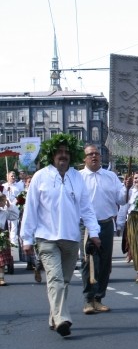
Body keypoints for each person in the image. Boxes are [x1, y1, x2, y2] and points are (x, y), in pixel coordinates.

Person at [20, 134, 101, 338]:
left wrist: (94, 233)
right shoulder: (40, 176)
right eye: (59, 152)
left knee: (63, 281)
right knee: (55, 279)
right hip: (46, 238)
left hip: (71, 239)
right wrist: (27, 238)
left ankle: (53, 317)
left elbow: (86, 208)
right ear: (52, 155)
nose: (63, 155)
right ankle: (63, 319)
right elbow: (30, 209)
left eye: (66, 152)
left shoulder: (77, 177)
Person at [79, 144, 128, 314]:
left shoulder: (110, 176)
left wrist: (127, 188)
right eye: (90, 154)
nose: (94, 156)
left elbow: (121, 200)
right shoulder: (78, 178)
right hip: (85, 225)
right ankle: (88, 300)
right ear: (84, 158)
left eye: (97, 154)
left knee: (105, 263)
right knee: (88, 262)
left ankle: (98, 298)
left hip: (106, 223)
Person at [0, 194, 20, 286]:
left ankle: (1, 278)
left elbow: (15, 216)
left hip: (1, 236)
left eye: (2, 200)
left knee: (1, 260)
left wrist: (9, 206)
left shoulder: (4, 212)